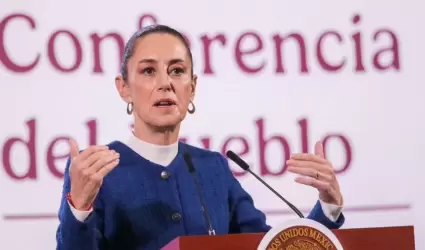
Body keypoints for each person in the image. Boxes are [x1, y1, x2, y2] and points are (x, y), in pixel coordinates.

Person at [55, 24, 345, 250]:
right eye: (148, 71)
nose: (165, 83)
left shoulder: (213, 168)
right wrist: (79, 208)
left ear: (191, 88)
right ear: (124, 88)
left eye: (177, 71)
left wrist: (328, 208)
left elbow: (270, 247)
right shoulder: (97, 172)